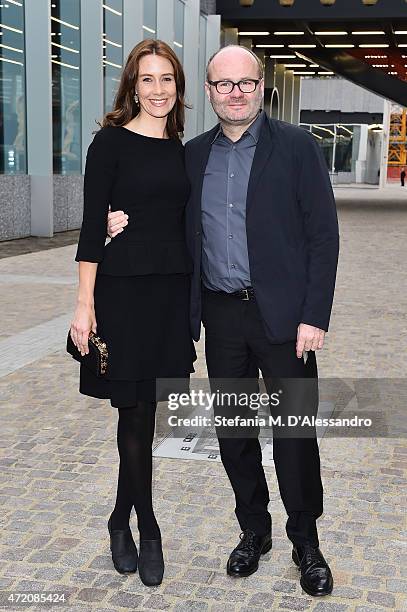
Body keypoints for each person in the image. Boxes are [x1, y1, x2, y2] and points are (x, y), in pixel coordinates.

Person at [107, 45, 339, 597]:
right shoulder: (191, 156)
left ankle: (306, 540)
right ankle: (253, 531)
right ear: (208, 93)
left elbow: (323, 236)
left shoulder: (298, 148)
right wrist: (113, 222)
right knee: (234, 436)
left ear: (262, 87)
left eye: (245, 83)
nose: (235, 93)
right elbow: (158, 208)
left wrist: (314, 314)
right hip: (220, 314)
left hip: (285, 321)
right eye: (223, 84)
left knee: (294, 435)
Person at [70, 39, 195, 586]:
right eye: (147, 79)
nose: (158, 89)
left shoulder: (181, 150)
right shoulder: (109, 144)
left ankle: (119, 518)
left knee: (147, 416)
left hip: (169, 295)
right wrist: (83, 305)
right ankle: (148, 527)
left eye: (166, 78)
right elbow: (90, 224)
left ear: (178, 87)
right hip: (121, 294)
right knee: (132, 415)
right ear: (131, 86)